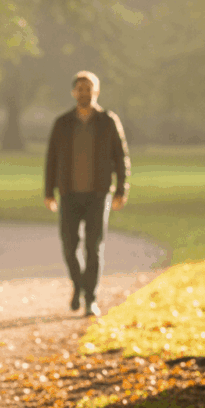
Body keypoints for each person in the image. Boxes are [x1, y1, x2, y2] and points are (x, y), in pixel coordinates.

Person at [44, 71, 130, 317]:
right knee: (69, 246)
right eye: (80, 89)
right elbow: (51, 159)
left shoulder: (108, 121)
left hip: (98, 194)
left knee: (93, 247)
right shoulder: (62, 123)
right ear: (74, 93)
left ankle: (90, 298)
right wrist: (49, 192)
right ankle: (78, 286)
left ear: (97, 91)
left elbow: (121, 157)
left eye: (89, 88)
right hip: (69, 194)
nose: (84, 93)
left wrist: (122, 190)